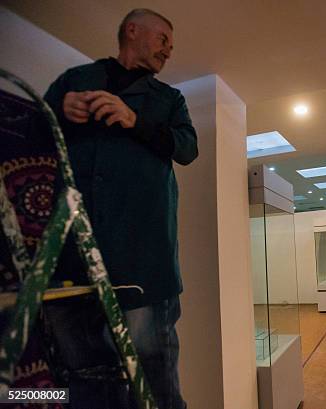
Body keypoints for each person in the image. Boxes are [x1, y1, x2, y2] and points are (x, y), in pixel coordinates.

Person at [42, 8, 197, 409]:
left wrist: (134, 120)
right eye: (163, 39)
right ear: (132, 31)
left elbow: (187, 149)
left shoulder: (169, 99)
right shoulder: (74, 82)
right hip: (71, 257)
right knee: (80, 372)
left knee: (154, 372)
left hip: (142, 262)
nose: (169, 50)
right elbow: (34, 131)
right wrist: (60, 109)